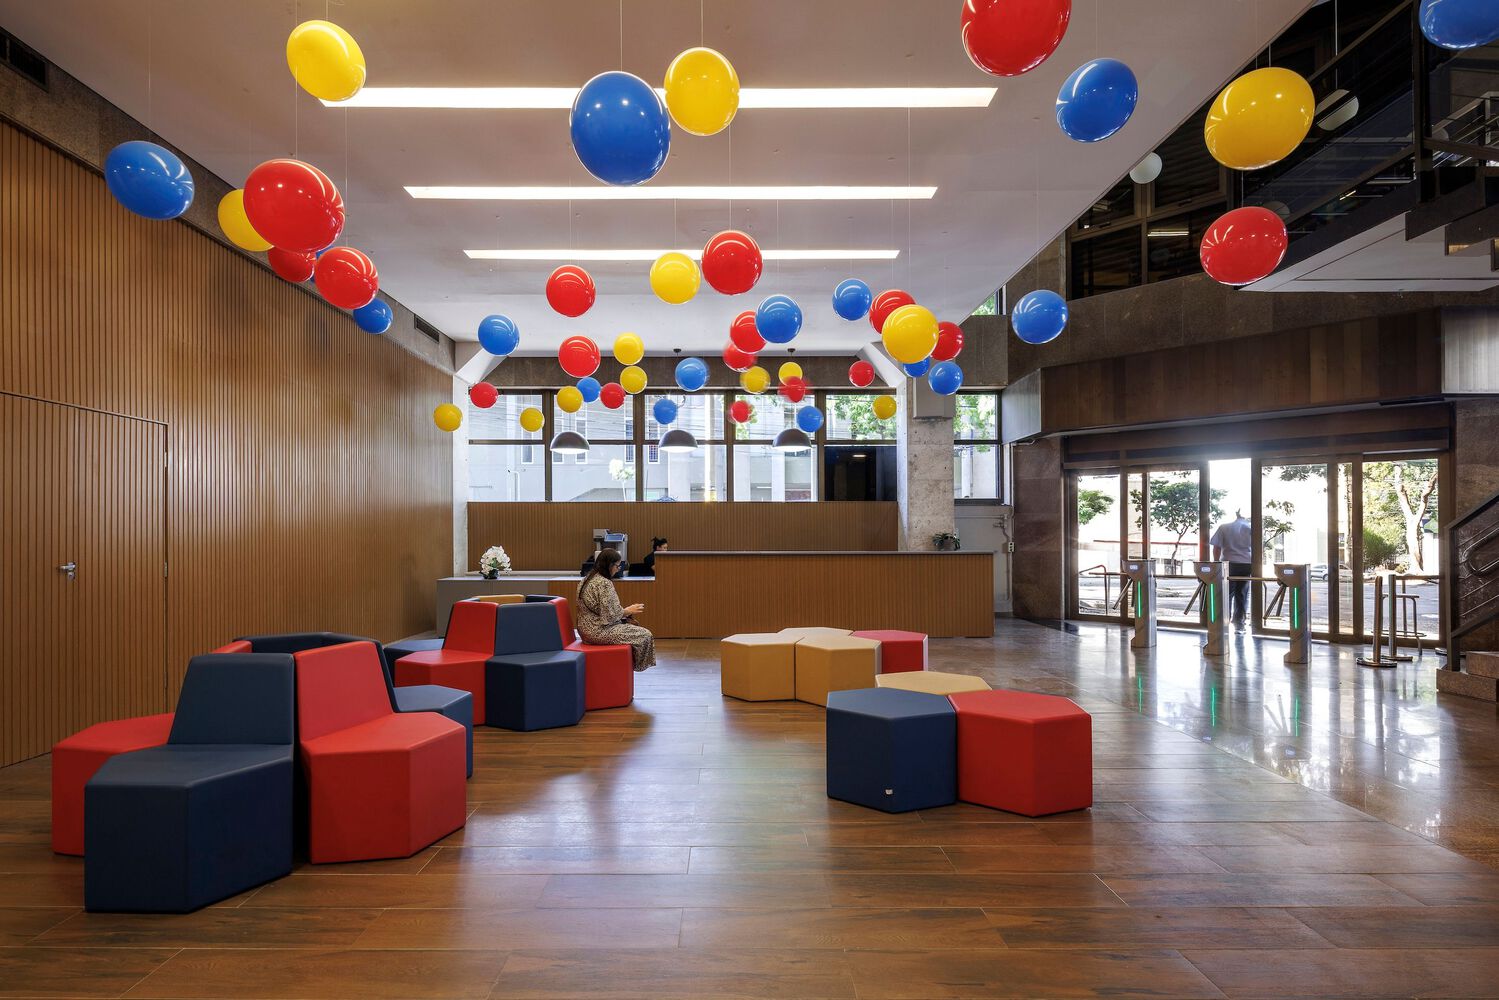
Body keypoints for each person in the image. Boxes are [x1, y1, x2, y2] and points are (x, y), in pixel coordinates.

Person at [576, 548, 655, 671]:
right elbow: (610, 616)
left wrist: (623, 613)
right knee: (645, 635)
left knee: (633, 627)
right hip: (596, 632)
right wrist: (628, 610)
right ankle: (631, 668)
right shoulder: (604, 583)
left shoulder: (587, 578)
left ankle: (625, 668)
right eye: (617, 566)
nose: (618, 569)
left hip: (584, 630)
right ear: (609, 565)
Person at [1211, 510, 1254, 630]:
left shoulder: (1224, 527)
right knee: (1242, 593)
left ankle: (1224, 619)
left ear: (1236, 514)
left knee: (1227, 593)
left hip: (1228, 563)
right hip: (1246, 563)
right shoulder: (1251, 528)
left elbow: (1216, 547)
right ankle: (1239, 620)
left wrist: (1216, 563)